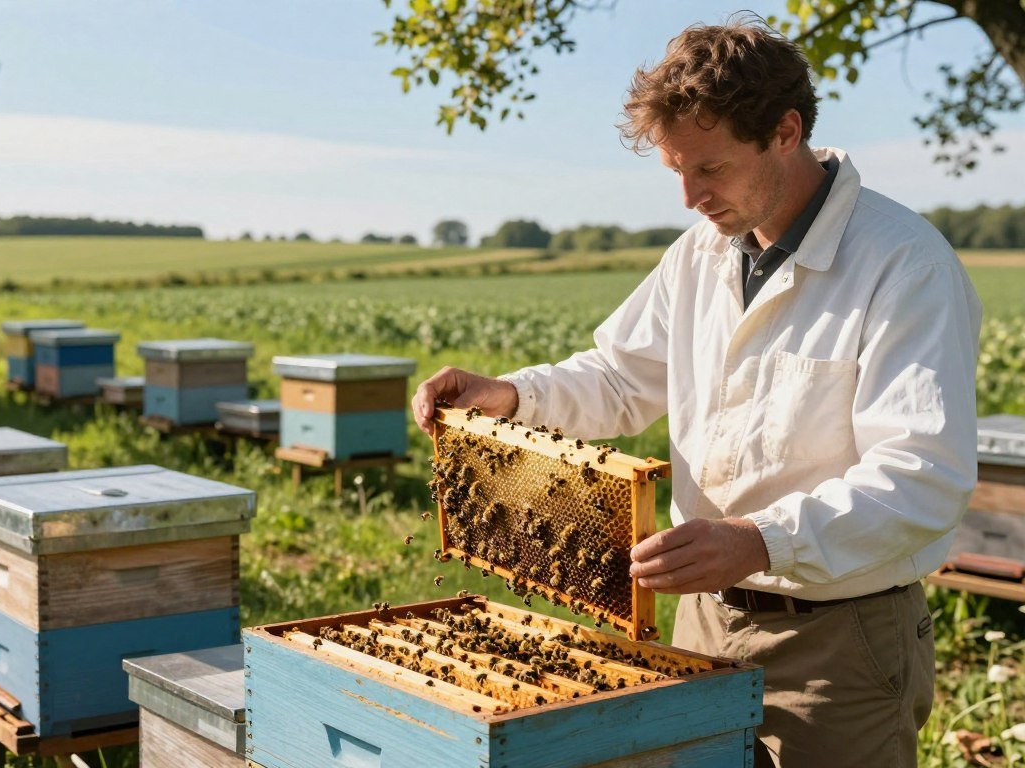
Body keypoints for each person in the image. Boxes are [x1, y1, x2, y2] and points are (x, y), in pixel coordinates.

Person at [412, 18, 981, 768]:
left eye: (708, 169)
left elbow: (921, 479)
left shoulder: (903, 265)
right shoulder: (701, 254)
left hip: (839, 642)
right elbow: (618, 376)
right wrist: (512, 395)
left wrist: (759, 541)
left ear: (785, 131)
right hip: (702, 619)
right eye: (676, 171)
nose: (689, 197)